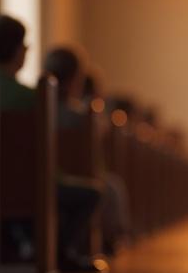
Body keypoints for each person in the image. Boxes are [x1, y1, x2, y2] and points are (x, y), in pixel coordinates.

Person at [0, 15, 102, 272]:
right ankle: (59, 254)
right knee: (90, 193)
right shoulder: (34, 99)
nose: (26, 49)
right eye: (23, 44)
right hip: (29, 186)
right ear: (15, 50)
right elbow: (45, 158)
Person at [44, 47, 130, 256]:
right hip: (64, 179)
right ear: (76, 78)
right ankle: (104, 242)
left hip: (35, 177)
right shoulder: (80, 116)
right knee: (108, 187)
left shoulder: (39, 105)